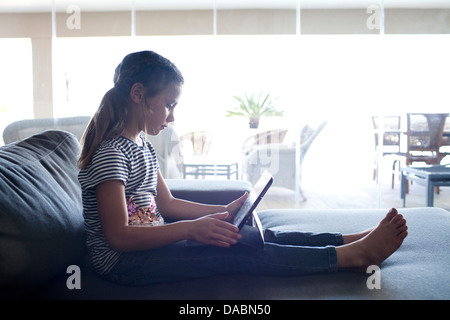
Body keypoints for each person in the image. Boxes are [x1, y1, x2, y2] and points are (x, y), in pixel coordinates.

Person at [78, 50, 408, 286]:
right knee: (236, 252)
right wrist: (192, 229)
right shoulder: (111, 153)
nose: (172, 116)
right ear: (139, 94)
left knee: (249, 234)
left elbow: (168, 205)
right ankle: (349, 258)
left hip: (151, 246)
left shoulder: (143, 147)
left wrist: (224, 211)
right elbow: (118, 237)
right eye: (169, 104)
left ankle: (344, 240)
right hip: (125, 264)